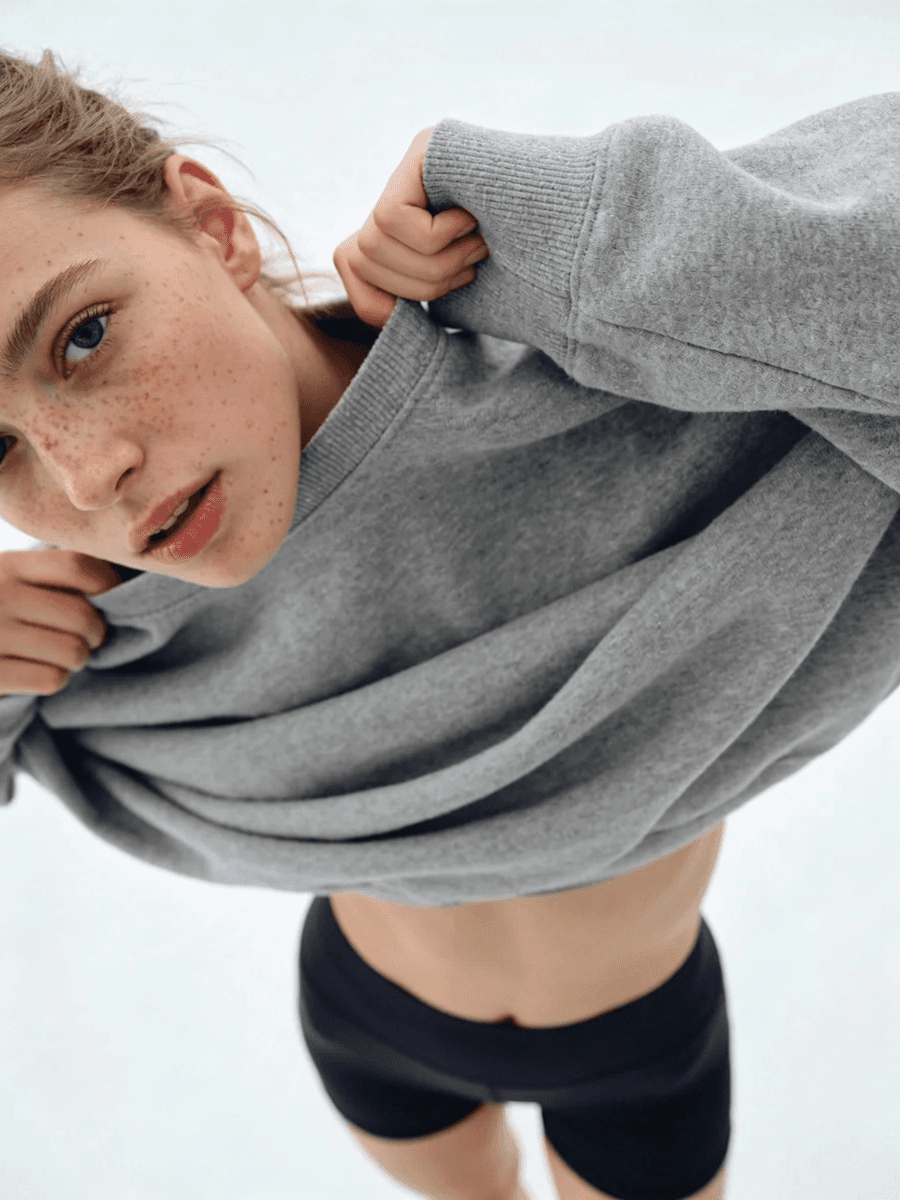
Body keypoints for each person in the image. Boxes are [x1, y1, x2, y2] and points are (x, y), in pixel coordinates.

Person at [1, 46, 899, 1200]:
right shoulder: (92, 634)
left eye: (83, 335)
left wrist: (568, 231)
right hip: (368, 1022)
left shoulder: (622, 386)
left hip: (636, 1043)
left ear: (215, 230)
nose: (86, 480)